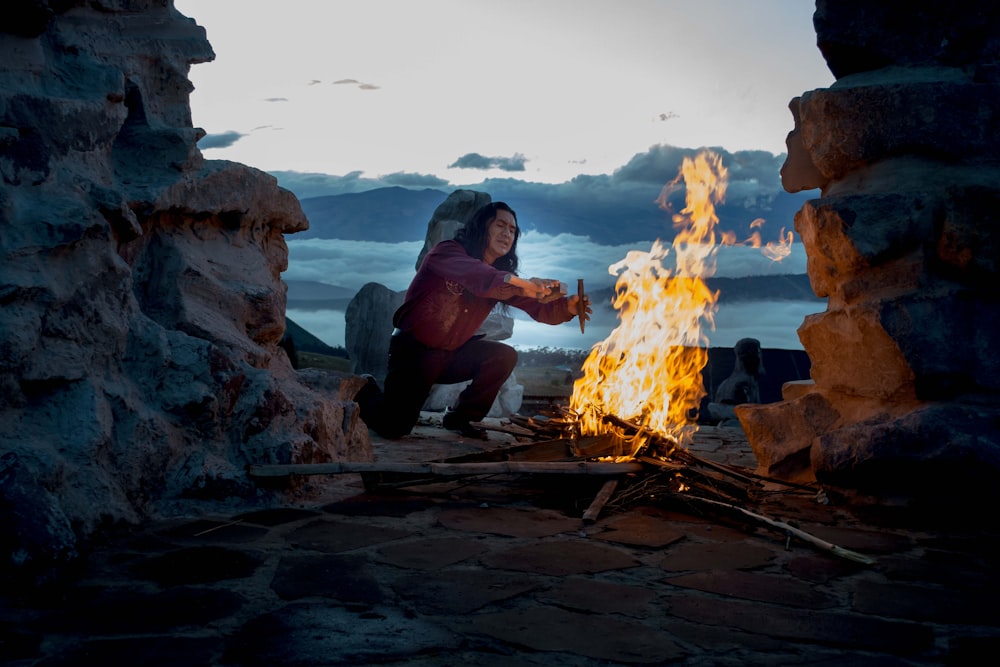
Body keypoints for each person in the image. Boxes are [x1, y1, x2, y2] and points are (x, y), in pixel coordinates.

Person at [355, 201, 590, 439]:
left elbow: (539, 309)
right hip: (414, 353)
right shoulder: (448, 252)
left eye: (512, 230)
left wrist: (567, 307)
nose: (507, 234)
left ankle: (461, 418)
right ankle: (365, 388)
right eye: (500, 225)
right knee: (393, 427)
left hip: (451, 355)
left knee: (503, 356)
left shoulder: (502, 277)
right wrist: (525, 285)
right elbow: (479, 276)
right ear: (481, 227)